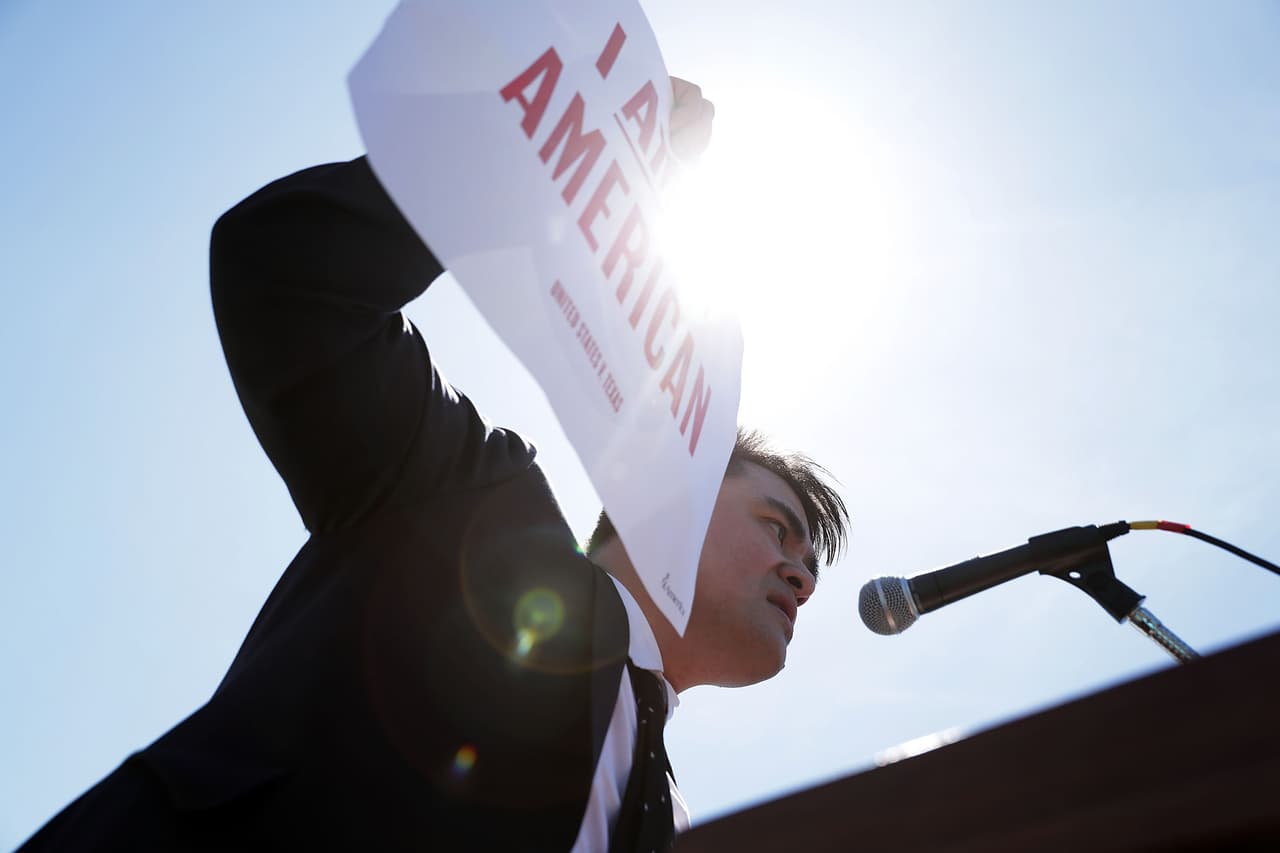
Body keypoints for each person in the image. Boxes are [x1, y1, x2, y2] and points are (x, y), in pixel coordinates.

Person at [19, 79, 847, 852]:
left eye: (809, 563)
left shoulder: (671, 819)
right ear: (679, 487)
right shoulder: (474, 509)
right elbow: (287, 276)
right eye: (780, 528)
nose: (801, 574)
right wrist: (542, 176)